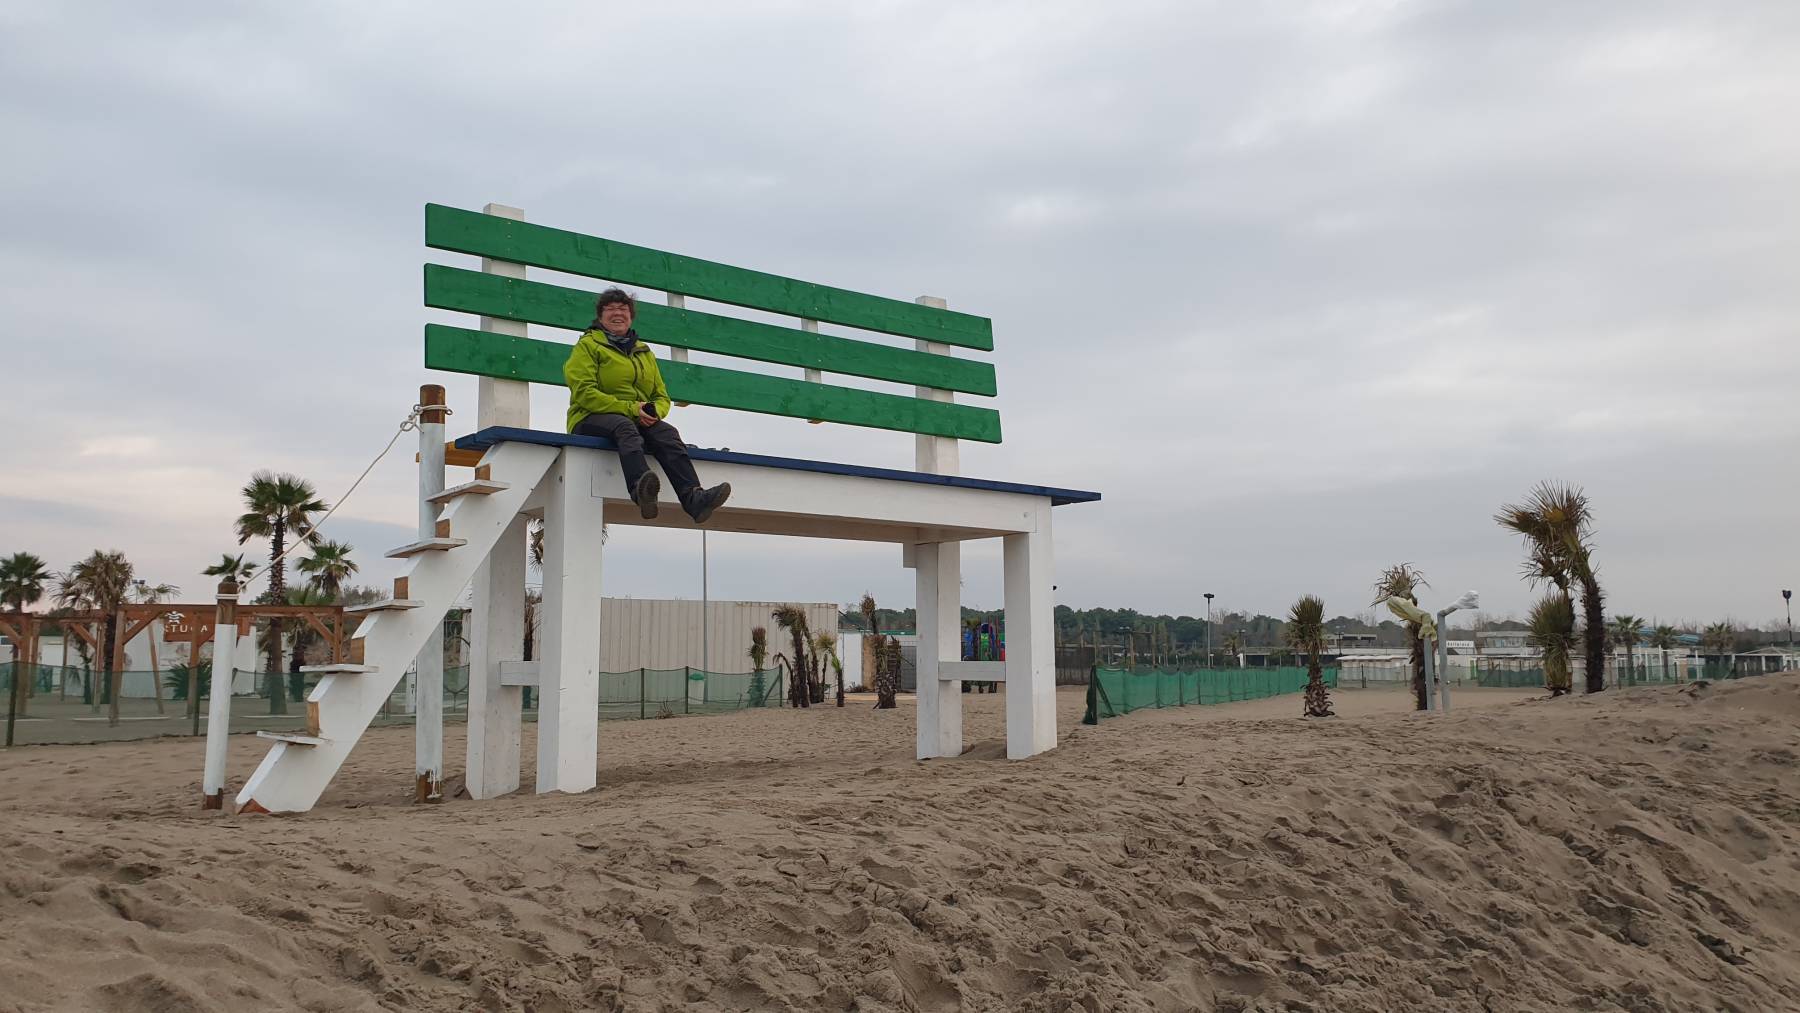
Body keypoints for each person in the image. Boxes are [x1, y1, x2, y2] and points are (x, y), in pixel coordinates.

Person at [564, 288, 731, 523]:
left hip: (635, 418)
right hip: (589, 416)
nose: (617, 313)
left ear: (631, 317)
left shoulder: (645, 352)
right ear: (600, 316)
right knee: (624, 427)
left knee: (667, 433)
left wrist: (653, 412)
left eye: (623, 309)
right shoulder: (587, 346)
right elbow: (584, 392)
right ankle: (640, 490)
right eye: (610, 309)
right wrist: (632, 409)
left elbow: (661, 396)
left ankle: (694, 498)